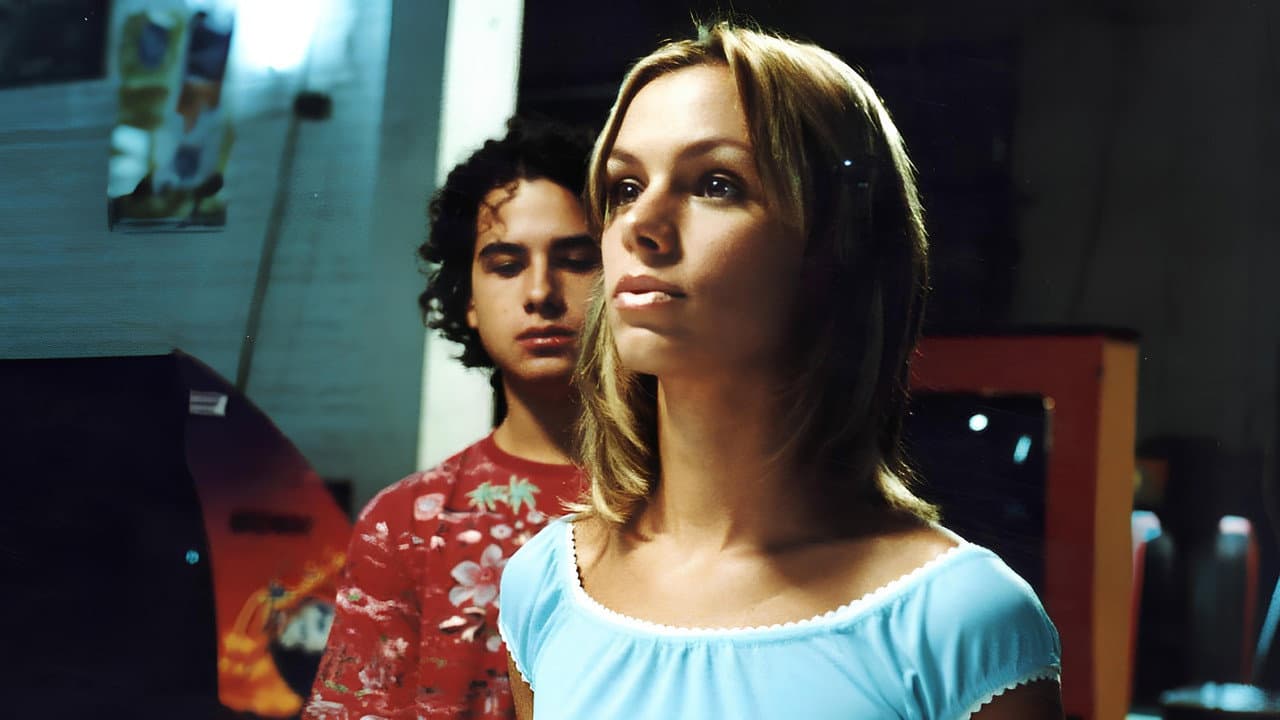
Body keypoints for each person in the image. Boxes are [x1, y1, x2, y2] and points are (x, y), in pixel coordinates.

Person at [498, 23, 1064, 720]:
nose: (641, 225)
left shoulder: (960, 621)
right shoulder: (547, 588)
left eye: (716, 184)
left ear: (838, 246)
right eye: (625, 186)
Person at [303, 115, 598, 720]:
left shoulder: (695, 499)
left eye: (575, 259)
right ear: (468, 299)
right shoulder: (406, 524)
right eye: (506, 264)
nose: (541, 292)